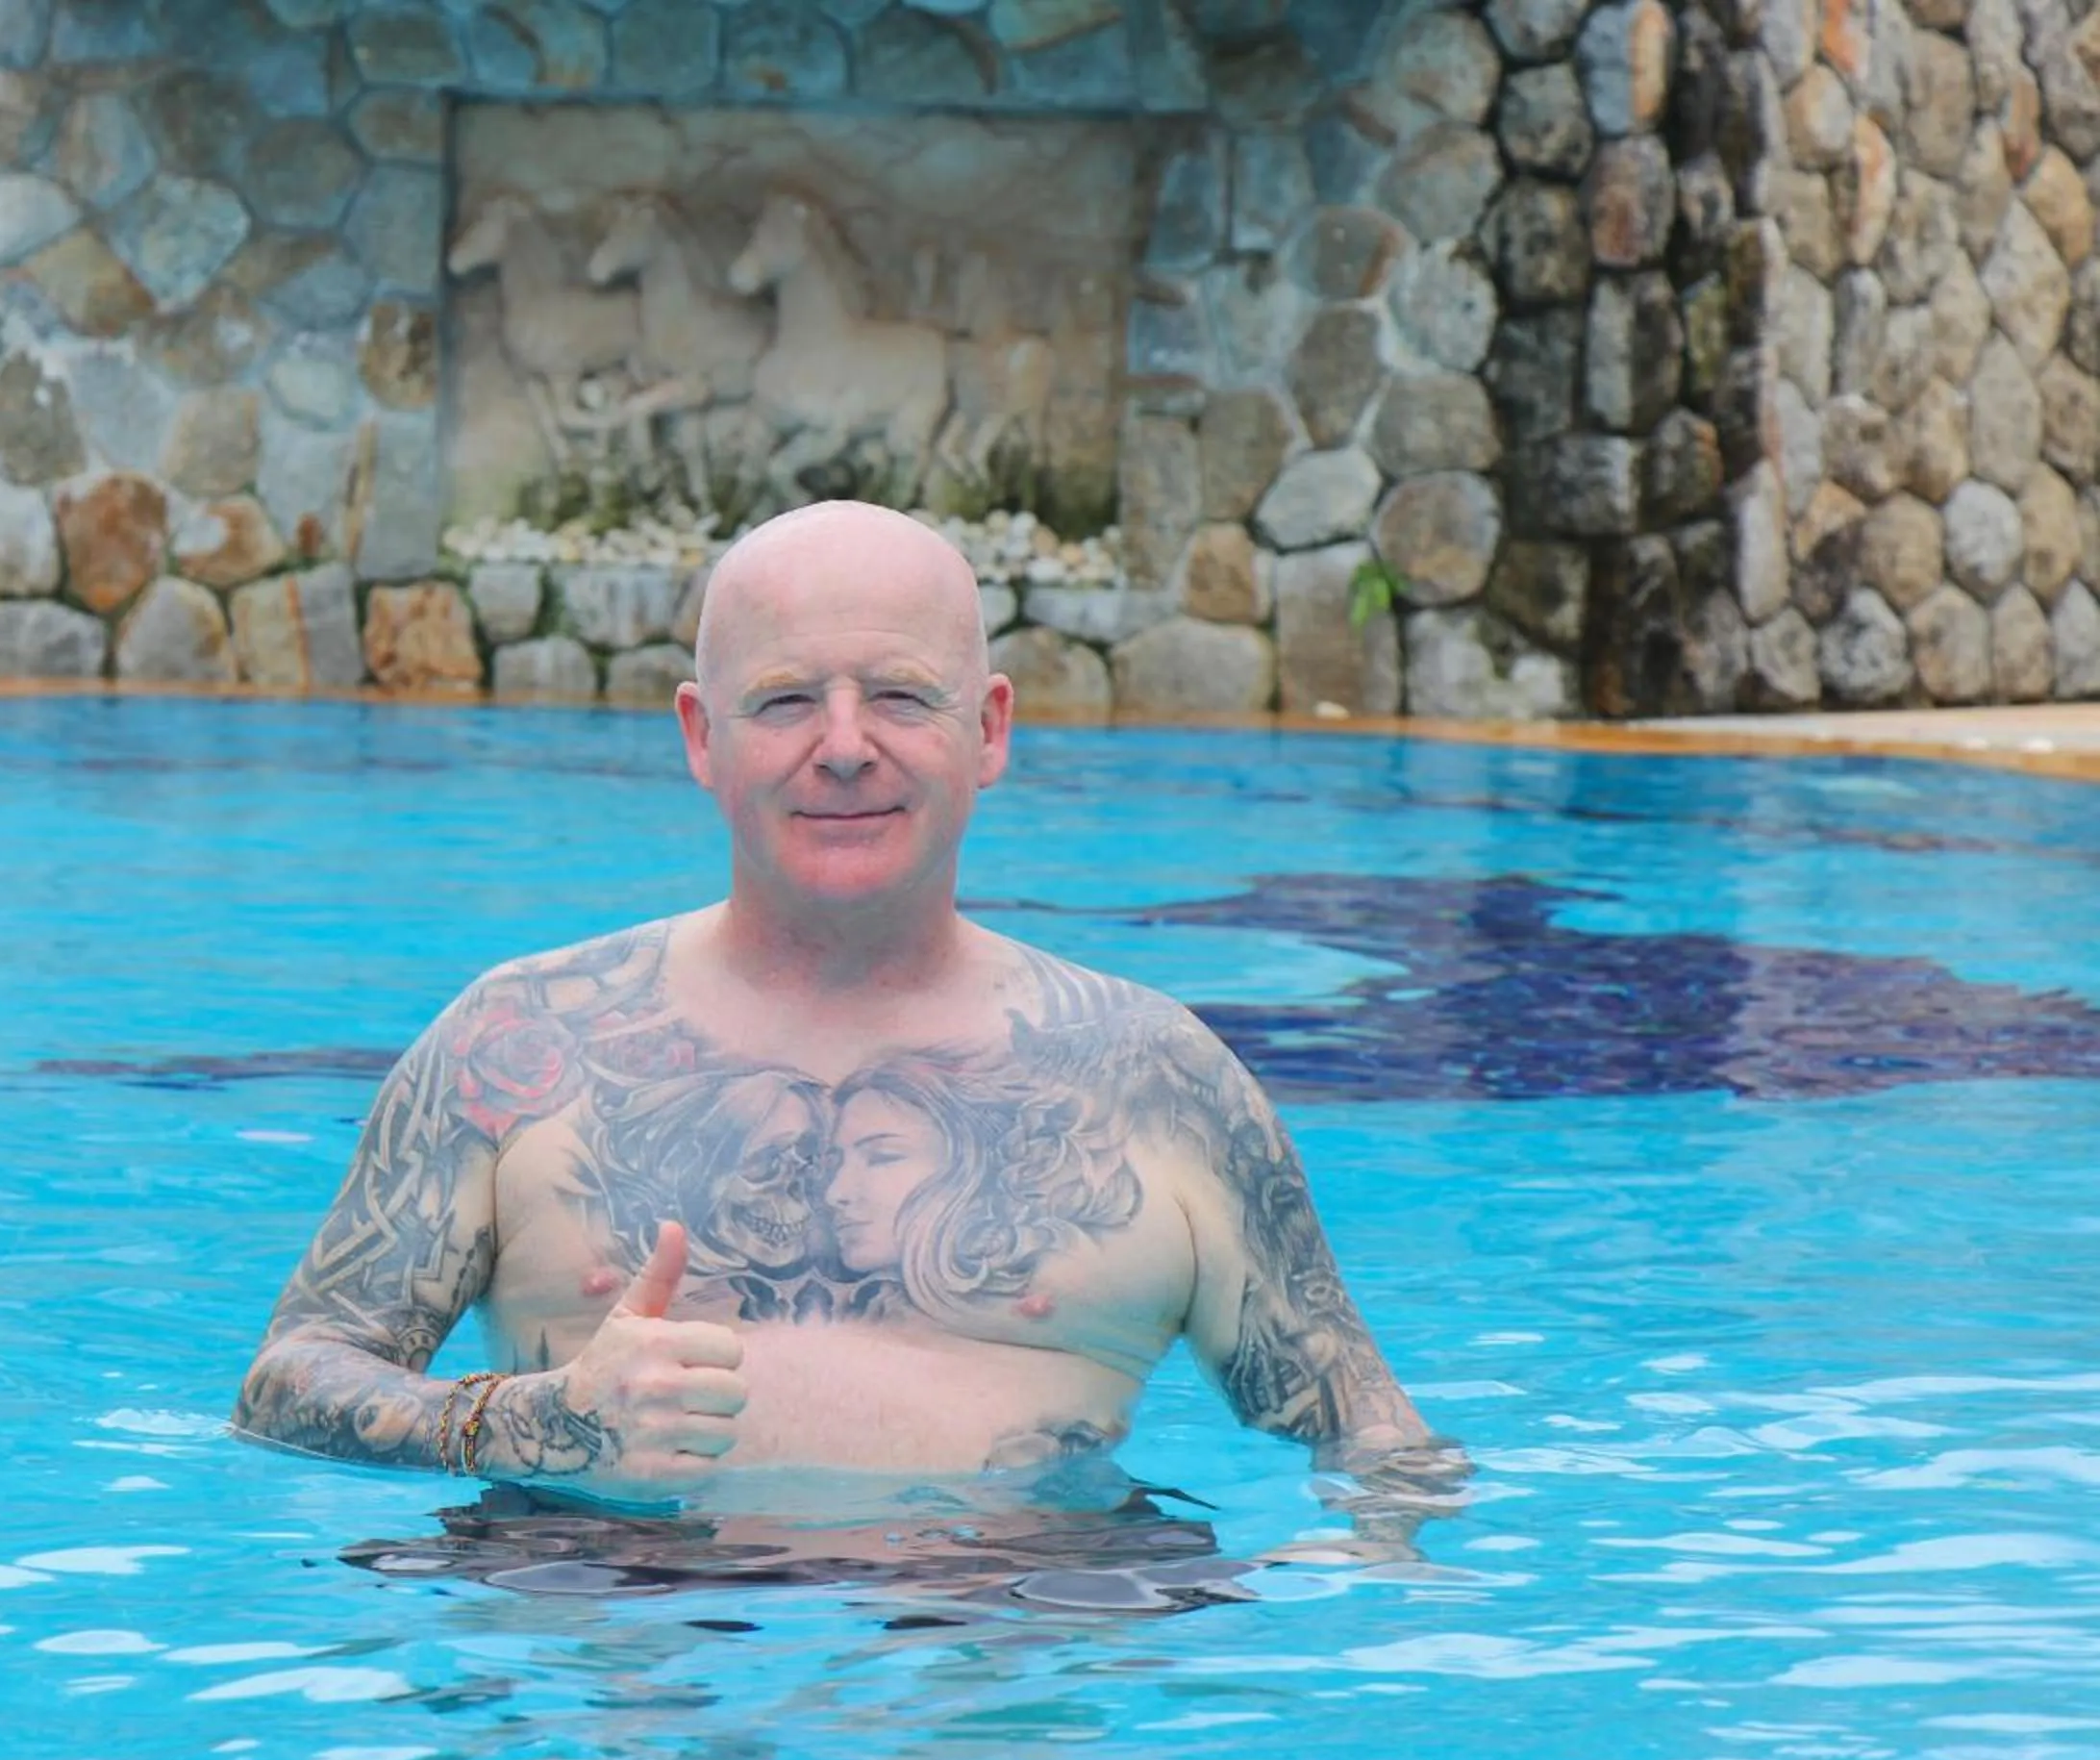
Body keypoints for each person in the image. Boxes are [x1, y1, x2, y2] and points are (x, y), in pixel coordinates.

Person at [234, 499, 1460, 1572]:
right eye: (783, 700)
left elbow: (1369, 1431)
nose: (842, 744)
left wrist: (1370, 1577)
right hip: (619, 1674)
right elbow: (287, 1383)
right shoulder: (522, 1040)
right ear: (701, 737)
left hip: (1015, 1665)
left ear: (989, 730)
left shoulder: (1155, 1077)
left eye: (897, 695)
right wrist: (526, 1420)